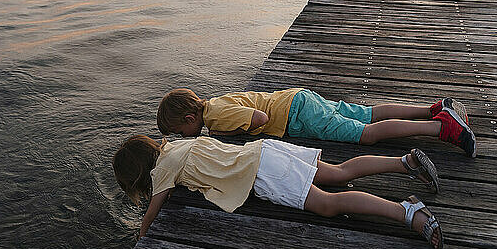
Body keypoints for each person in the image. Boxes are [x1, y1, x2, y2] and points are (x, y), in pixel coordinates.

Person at [112, 135, 444, 249]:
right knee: (339, 172)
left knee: (327, 204)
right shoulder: (177, 147)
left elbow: (155, 207)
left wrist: (141, 233)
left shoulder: (161, 172)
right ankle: (404, 162)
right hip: (264, 150)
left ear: (139, 173)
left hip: (263, 173)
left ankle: (408, 212)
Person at [156, 88, 476, 157]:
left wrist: (224, 132)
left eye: (180, 132)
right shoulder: (215, 102)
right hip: (298, 99)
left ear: (189, 118)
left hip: (298, 114)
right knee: (367, 113)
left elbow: (261, 118)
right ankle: (433, 109)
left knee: (366, 133)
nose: (182, 136)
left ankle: (441, 128)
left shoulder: (215, 116)